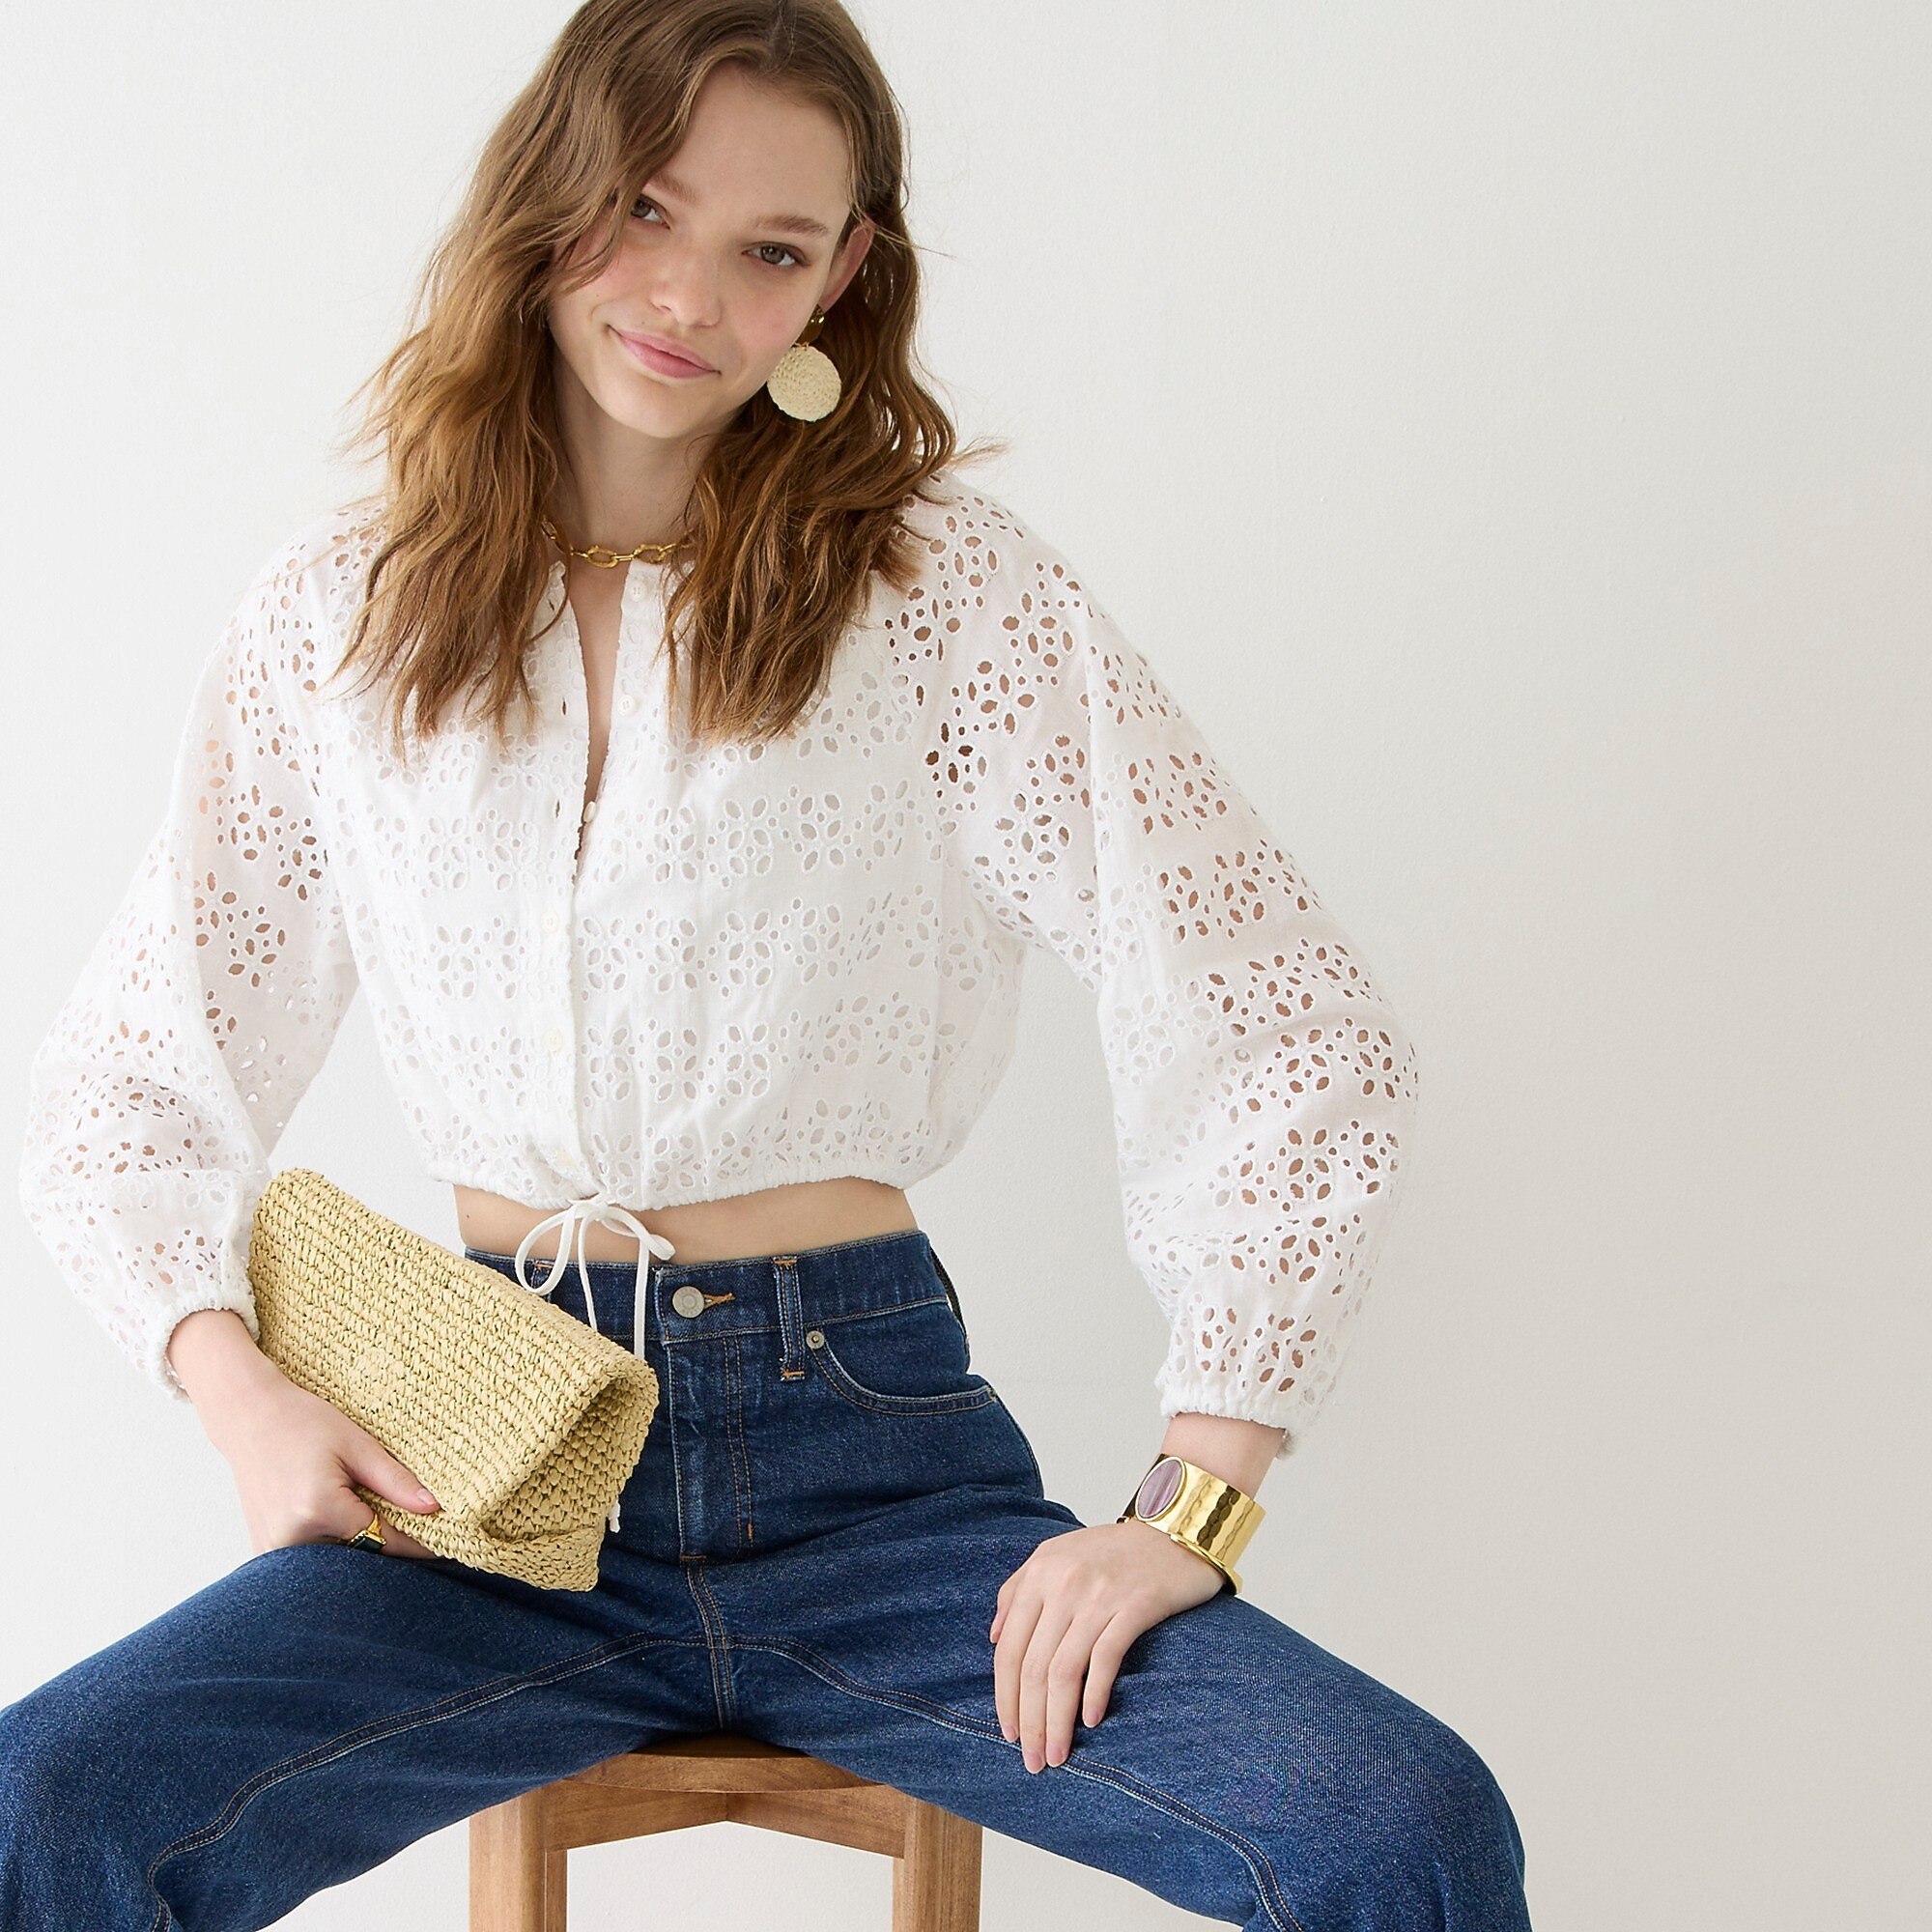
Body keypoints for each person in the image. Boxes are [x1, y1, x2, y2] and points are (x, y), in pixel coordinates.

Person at [1, 4, 1531, 1927]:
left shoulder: (940, 602)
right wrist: (236, 1388)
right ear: (546, 190)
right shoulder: (343, 623)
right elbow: (133, 1077)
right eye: (644, 206)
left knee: (1398, 1829)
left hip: (875, 1479)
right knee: (44, 1805)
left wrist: (1185, 1507)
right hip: (486, 1485)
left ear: (843, 281)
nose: (686, 293)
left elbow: (1286, 1026)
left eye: (770, 250)